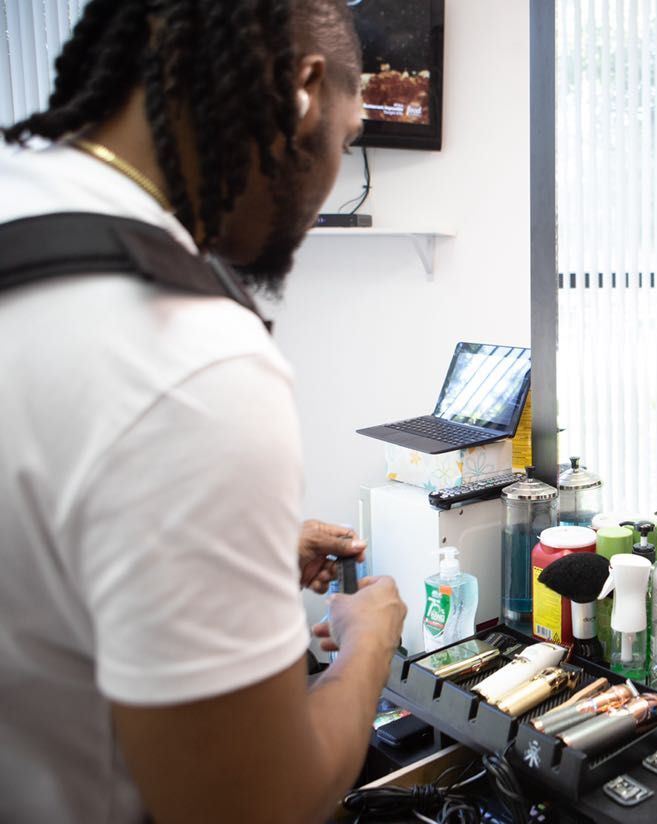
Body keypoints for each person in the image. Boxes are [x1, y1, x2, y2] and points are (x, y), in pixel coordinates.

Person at [0, 2, 407, 822]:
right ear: (302, 91)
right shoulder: (191, 357)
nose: (333, 167)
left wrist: (222, 553)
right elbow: (258, 806)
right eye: (348, 135)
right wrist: (366, 648)